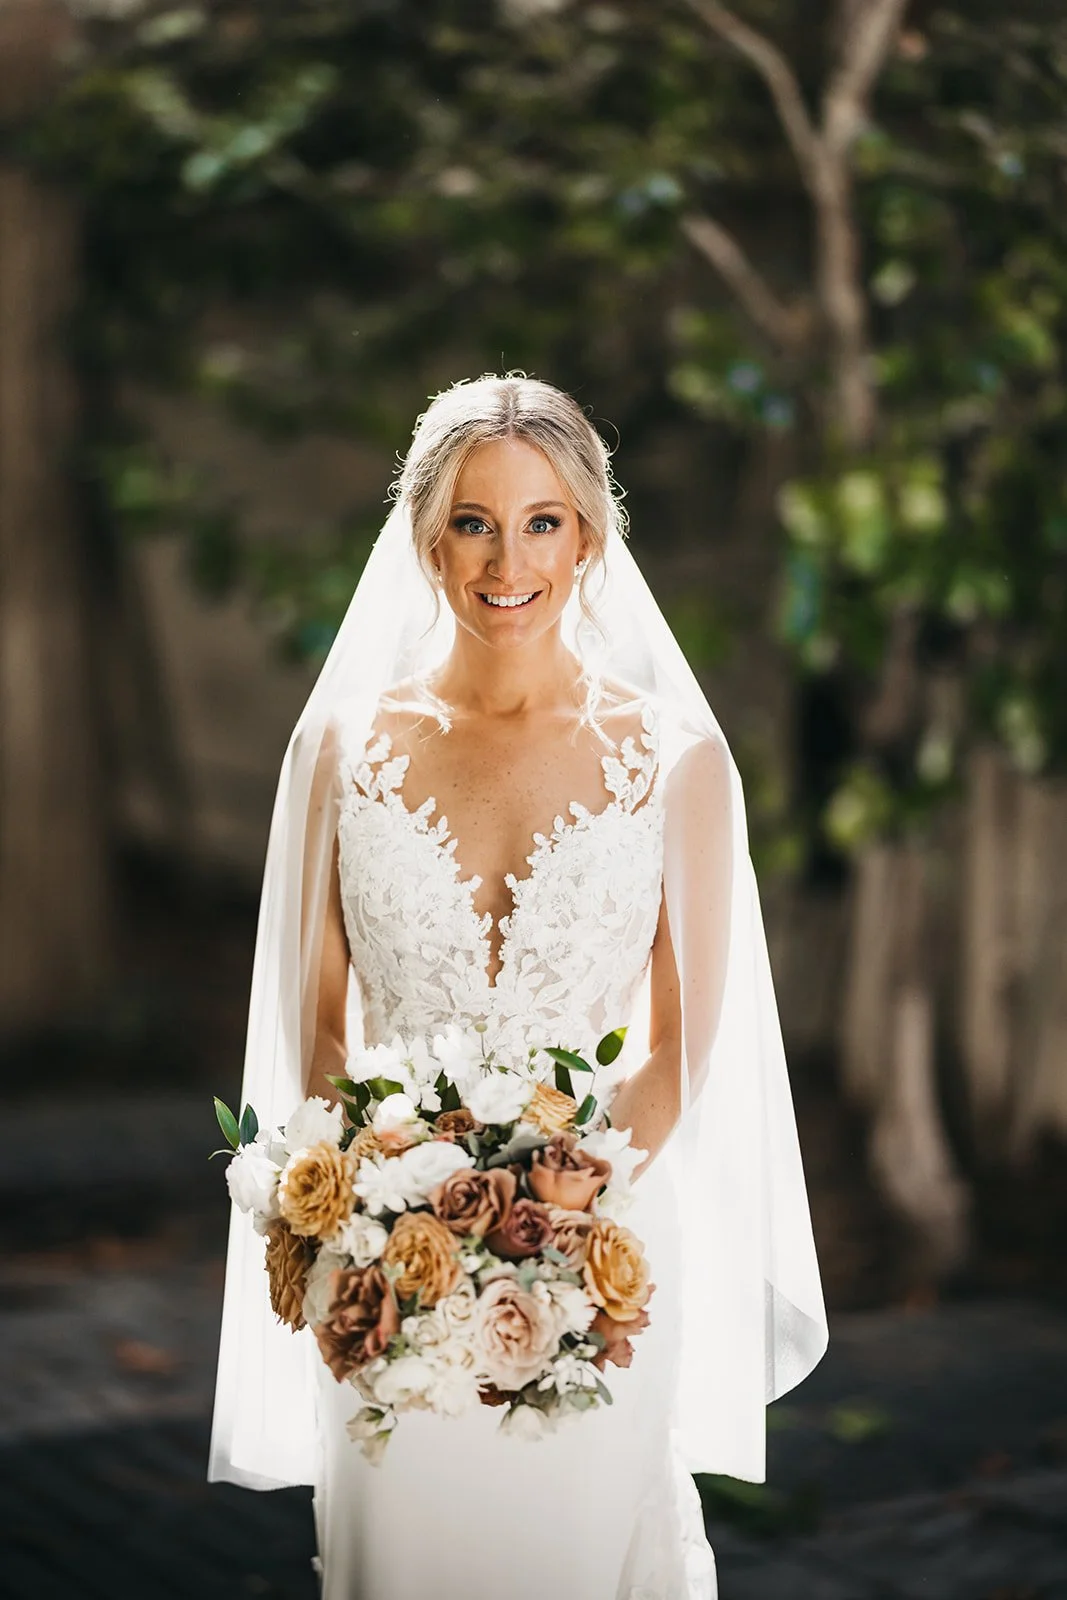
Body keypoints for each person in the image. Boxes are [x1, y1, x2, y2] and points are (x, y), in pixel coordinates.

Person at [208, 375, 828, 1600]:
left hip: (596, 1255)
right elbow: (319, 1022)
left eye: (542, 520)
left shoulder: (673, 759)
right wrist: (396, 1215)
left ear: (588, 535)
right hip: (389, 1264)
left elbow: (682, 1039)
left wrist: (549, 1219)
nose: (507, 560)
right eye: (474, 522)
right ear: (426, 536)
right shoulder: (344, 748)